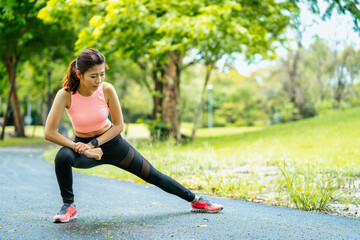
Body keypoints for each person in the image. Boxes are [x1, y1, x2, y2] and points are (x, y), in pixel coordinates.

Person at [45, 48, 223, 223]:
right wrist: (80, 148)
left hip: (112, 143)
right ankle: (69, 206)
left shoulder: (106, 90)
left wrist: (92, 145)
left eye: (102, 74)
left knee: (152, 174)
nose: (99, 80)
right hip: (82, 147)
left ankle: (196, 201)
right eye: (93, 76)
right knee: (63, 156)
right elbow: (49, 132)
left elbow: (119, 126)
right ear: (79, 74)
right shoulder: (66, 95)